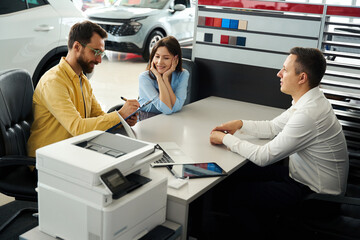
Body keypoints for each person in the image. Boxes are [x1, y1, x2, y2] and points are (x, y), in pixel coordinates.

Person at [209, 47, 349, 239]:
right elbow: (274, 127)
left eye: (285, 69)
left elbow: (263, 156)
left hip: (316, 198)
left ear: (302, 78)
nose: (279, 73)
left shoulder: (308, 114)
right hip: (303, 177)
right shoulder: (310, 99)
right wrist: (240, 124)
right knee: (241, 173)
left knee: (237, 196)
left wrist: (225, 138)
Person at [27, 21, 139, 157]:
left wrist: (123, 120)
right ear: (77, 47)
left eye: (101, 53)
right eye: (96, 52)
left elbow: (98, 115)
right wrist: (119, 115)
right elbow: (78, 128)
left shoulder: (82, 79)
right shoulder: (54, 82)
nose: (99, 60)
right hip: (47, 159)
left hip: (72, 150)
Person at [138, 36, 189, 120]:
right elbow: (167, 109)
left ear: (176, 59)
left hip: (169, 119)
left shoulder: (183, 74)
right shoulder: (144, 78)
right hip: (146, 118)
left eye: (166, 58)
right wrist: (159, 77)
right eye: (157, 56)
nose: (160, 62)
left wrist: (165, 79)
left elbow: (177, 107)